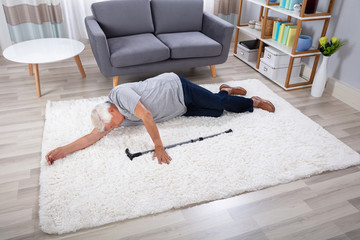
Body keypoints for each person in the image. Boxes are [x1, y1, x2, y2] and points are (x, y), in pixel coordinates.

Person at [46, 72, 275, 166]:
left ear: (113, 111)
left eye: (112, 125)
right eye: (111, 128)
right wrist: (63, 150)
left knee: (218, 105)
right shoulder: (111, 119)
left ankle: (253, 101)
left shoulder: (120, 94)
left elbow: (145, 115)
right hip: (178, 109)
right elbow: (90, 137)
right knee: (216, 112)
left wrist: (158, 146)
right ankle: (225, 90)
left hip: (177, 87)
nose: (114, 128)